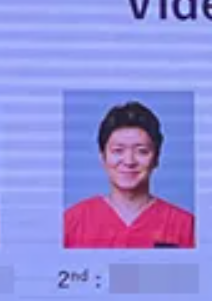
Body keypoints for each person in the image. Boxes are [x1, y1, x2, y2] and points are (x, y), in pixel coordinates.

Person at [64, 101, 195, 248]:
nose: (129, 161)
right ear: (103, 157)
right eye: (118, 150)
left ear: (156, 158)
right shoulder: (72, 222)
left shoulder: (186, 226)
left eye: (142, 151)